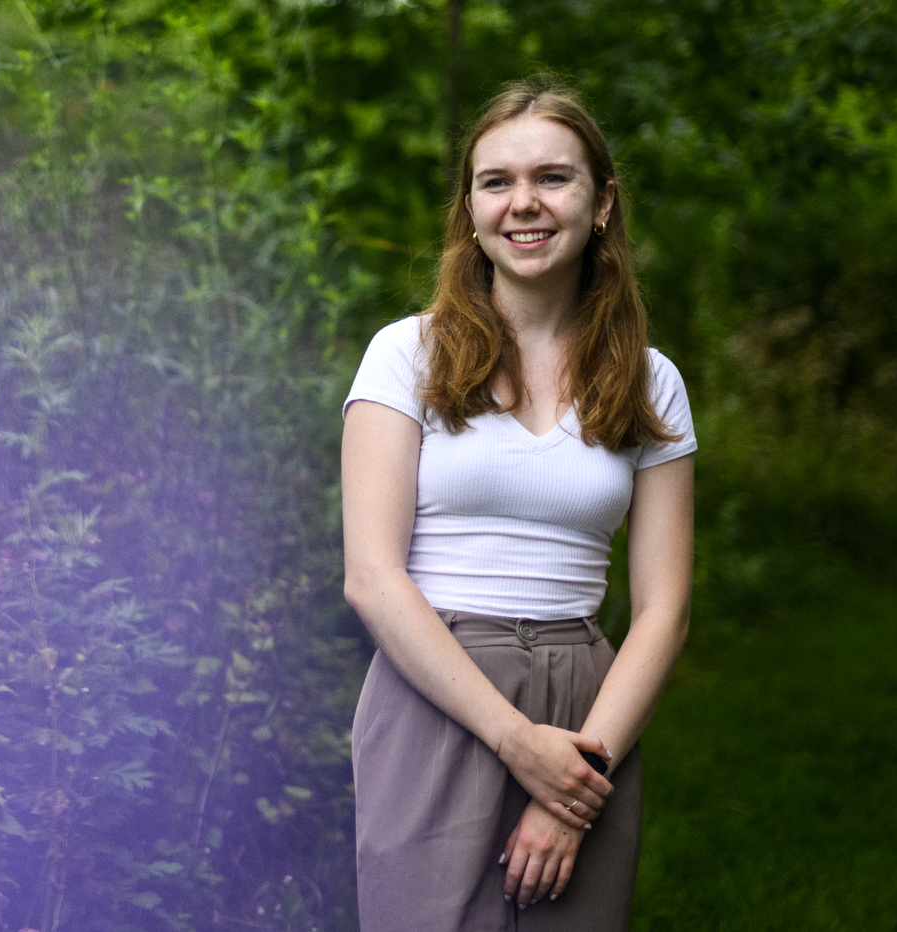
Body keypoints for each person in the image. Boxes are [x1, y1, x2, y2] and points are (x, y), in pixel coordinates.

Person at [341, 76, 696, 932]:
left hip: (589, 708)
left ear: (602, 202)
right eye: (496, 181)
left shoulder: (652, 381)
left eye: (554, 178)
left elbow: (664, 607)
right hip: (437, 690)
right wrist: (515, 741)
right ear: (468, 209)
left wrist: (575, 782)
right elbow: (373, 579)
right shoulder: (405, 356)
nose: (523, 203)